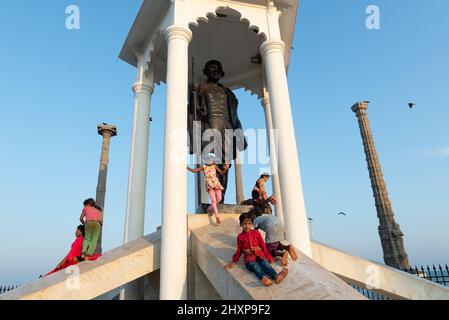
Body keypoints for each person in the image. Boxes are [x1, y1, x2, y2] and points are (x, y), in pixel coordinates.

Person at [188, 60, 247, 202]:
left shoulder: (229, 93)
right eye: (211, 68)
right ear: (205, 72)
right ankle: (214, 199)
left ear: (221, 73)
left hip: (227, 129)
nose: (214, 71)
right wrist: (193, 94)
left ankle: (221, 200)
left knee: (225, 166)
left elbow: (235, 116)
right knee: (211, 165)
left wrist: (240, 135)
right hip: (210, 128)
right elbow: (194, 110)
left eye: (217, 69)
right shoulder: (201, 88)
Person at [224, 213, 288, 287]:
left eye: (249, 223)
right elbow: (239, 251)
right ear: (241, 225)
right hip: (249, 259)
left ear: (252, 224)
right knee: (256, 267)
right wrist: (233, 261)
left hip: (260, 255)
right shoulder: (240, 237)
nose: (247, 226)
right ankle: (263, 278)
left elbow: (263, 246)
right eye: (244, 224)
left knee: (266, 264)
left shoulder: (256, 233)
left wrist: (269, 257)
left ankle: (276, 276)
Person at [188, 154, 229, 224]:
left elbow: (222, 173)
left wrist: (225, 168)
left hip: (216, 184)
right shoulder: (204, 167)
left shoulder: (214, 166)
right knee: (213, 201)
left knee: (219, 198)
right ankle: (217, 217)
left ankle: (209, 209)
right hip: (209, 185)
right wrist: (187, 167)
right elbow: (195, 171)